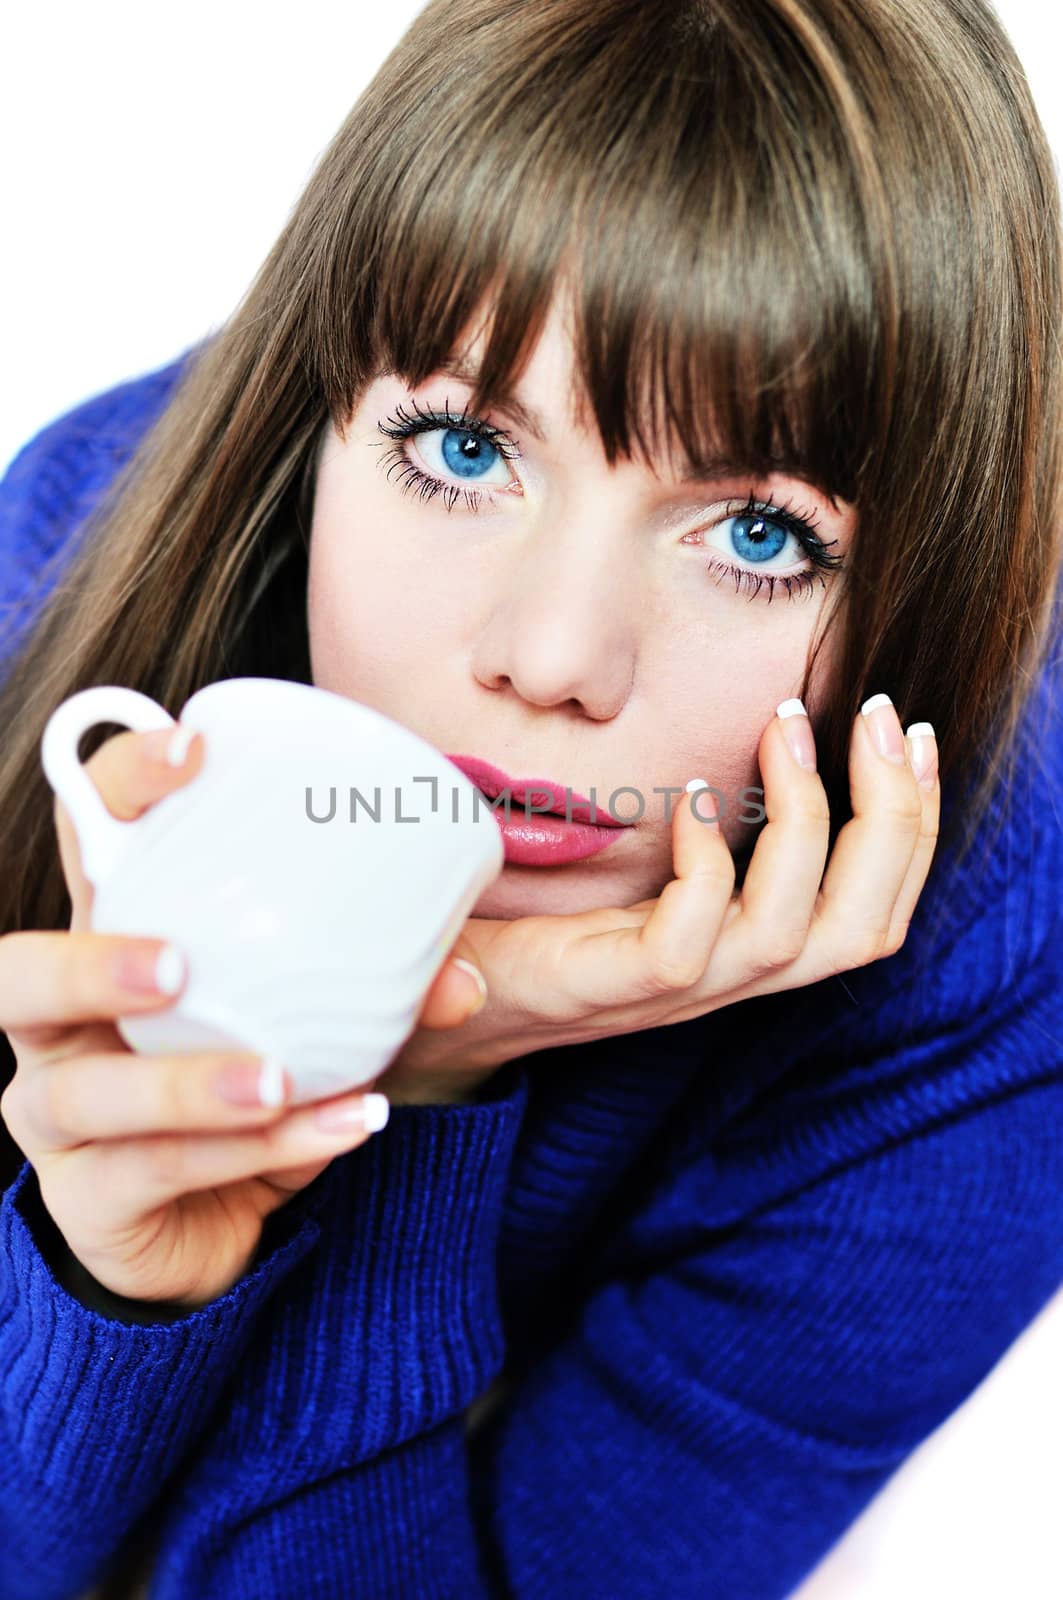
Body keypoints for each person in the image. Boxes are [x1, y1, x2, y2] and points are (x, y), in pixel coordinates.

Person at [0, 1, 1060, 1596]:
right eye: (461, 449)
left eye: (759, 533)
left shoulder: (1000, 960)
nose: (552, 657)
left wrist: (418, 1080)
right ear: (320, 419)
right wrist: (105, 1287)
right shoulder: (82, 565)